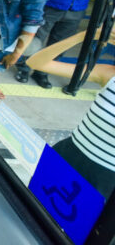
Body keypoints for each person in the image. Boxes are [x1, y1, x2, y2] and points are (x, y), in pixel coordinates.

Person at [26, 28, 115, 198]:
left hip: (105, 180)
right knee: (27, 208)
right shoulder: (110, 74)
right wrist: (87, 35)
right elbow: (36, 63)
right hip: (68, 155)